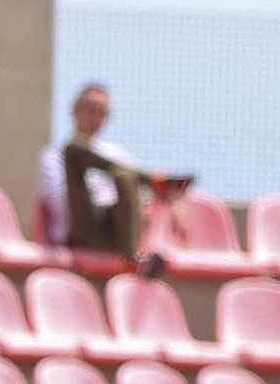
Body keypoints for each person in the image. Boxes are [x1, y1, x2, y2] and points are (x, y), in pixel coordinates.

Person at [37, 81, 191, 264]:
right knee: (74, 152)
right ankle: (149, 179)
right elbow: (60, 200)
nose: (96, 118)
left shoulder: (115, 153)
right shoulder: (53, 155)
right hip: (80, 232)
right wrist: (105, 195)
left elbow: (141, 197)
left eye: (103, 112)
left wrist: (174, 200)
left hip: (116, 232)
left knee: (125, 176)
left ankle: (132, 253)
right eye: (91, 109)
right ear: (75, 110)